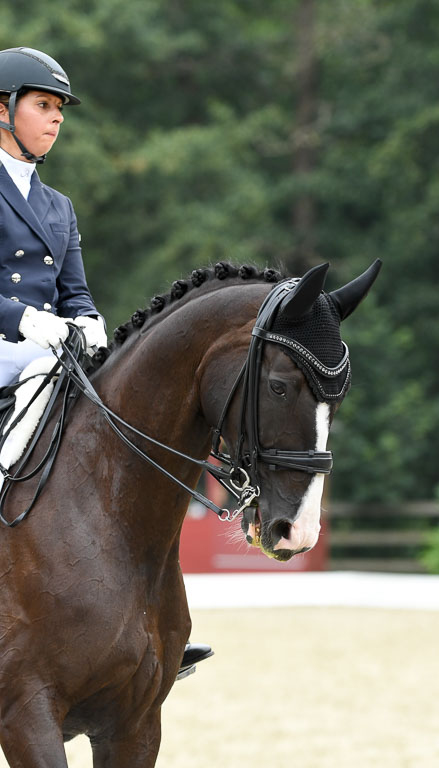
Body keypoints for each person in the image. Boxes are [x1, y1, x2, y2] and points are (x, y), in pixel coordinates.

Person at [0, 47, 211, 677]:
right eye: (42, 105)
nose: (55, 119)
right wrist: (26, 320)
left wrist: (88, 324)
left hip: (50, 352)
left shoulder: (58, 206)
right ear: (2, 110)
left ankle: (146, 623)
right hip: (6, 347)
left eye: (59, 109)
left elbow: (77, 292)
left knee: (118, 446)